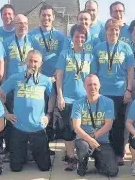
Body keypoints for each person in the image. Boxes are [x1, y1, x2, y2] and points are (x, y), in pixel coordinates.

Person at [0, 50, 54, 172]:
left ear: (41, 63)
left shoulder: (46, 80)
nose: (33, 64)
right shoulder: (16, 78)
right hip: (19, 127)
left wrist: (48, 114)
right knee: (15, 168)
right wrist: (6, 114)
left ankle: (31, 154)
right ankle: (24, 155)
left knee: (45, 167)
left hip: (38, 127)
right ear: (26, 61)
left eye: (36, 61)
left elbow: (52, 96)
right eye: (30, 60)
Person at [91, 18, 135, 165]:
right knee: (102, 123)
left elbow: (130, 70)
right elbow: (94, 72)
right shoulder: (98, 48)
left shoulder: (125, 48)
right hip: (102, 92)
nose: (113, 32)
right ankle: (101, 151)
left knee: (119, 124)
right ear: (105, 32)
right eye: (110, 30)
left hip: (120, 92)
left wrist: (129, 89)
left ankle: (119, 153)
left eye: (116, 30)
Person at [56, 25, 94, 171]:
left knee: (83, 129)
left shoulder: (90, 56)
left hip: (85, 100)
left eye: (83, 36)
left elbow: (93, 79)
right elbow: (59, 77)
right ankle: (71, 157)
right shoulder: (65, 54)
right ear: (71, 38)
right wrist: (60, 96)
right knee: (68, 130)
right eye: (77, 36)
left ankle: (83, 156)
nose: (79, 39)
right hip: (68, 99)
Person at [71, 74, 118, 177]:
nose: (92, 87)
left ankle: (99, 162)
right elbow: (76, 127)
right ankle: (82, 163)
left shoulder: (108, 102)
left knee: (112, 171)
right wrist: (90, 140)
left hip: (102, 142)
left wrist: (94, 138)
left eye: (95, 84)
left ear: (100, 85)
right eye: (89, 85)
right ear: (84, 86)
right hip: (84, 141)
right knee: (83, 146)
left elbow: (108, 125)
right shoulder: (78, 104)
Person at [2, 14, 35, 157]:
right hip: (11, 86)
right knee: (11, 118)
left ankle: (29, 149)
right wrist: (2, 85)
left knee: (28, 116)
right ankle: (10, 149)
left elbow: (38, 61)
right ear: (14, 25)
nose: (23, 26)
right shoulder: (6, 42)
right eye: (19, 23)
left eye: (25, 23)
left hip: (30, 86)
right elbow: (3, 64)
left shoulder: (33, 41)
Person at [29, 4, 67, 77]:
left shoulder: (60, 36)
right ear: (39, 16)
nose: (46, 18)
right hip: (36, 75)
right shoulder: (31, 35)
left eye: (49, 15)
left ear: (53, 17)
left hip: (54, 76)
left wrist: (57, 73)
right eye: (43, 15)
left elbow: (62, 57)